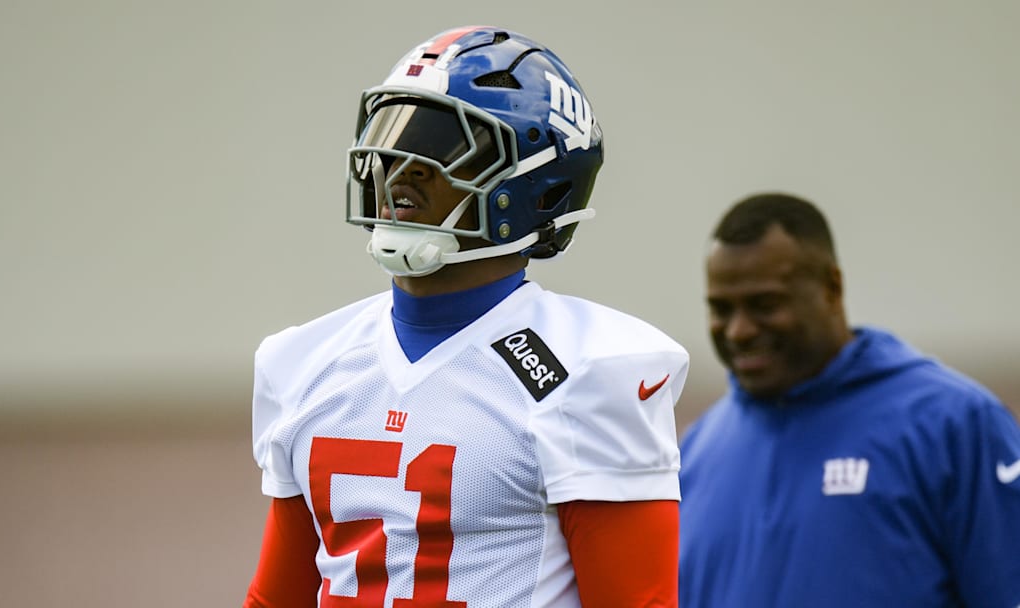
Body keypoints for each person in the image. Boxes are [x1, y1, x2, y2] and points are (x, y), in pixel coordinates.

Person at [242, 26, 689, 607]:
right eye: (395, 136)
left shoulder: (592, 369)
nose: (401, 166)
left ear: (536, 183)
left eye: (443, 145)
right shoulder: (302, 361)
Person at [678, 192, 1020, 607]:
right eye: (721, 309)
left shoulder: (955, 425)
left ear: (831, 288)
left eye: (764, 304)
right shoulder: (693, 454)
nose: (738, 331)